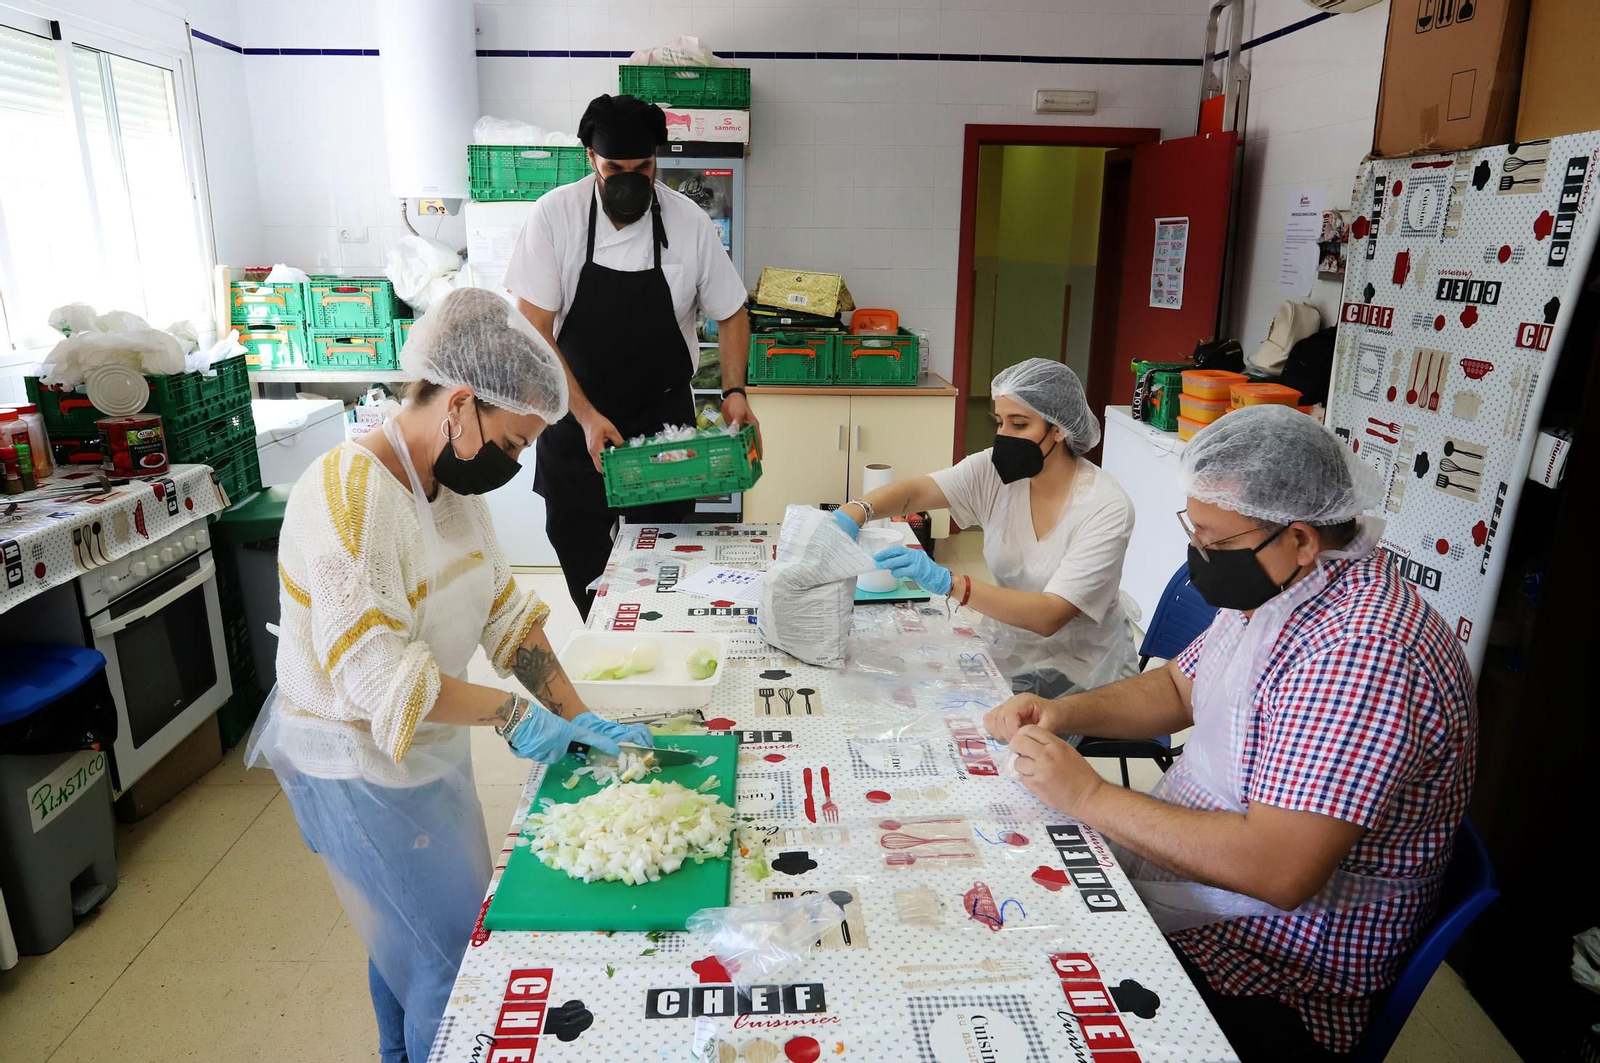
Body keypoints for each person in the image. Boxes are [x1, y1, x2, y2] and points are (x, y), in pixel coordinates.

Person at [983, 405, 1478, 1062]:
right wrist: (1063, 713)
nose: (1199, 560)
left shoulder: (1364, 653)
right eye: (1196, 533)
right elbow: (1178, 687)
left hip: (1279, 974)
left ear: (1300, 537)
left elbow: (1277, 869)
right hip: (1212, 897)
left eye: (1215, 542)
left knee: (1030, 1006)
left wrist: (1089, 796)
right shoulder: (1285, 587)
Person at [249, 289, 654, 1063]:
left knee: (406, 932)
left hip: (430, 748)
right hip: (353, 764)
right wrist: (514, 718)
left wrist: (578, 715)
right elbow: (379, 681)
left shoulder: (454, 492)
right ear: (460, 406)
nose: (517, 460)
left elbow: (505, 616)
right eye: (511, 442)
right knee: (446, 960)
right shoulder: (347, 497)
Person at [503, 93, 755, 617]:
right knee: (589, 581)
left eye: (642, 167)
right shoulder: (555, 216)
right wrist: (588, 416)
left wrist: (734, 392)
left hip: (662, 429)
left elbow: (731, 313)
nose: (629, 179)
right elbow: (534, 331)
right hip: (576, 425)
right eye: (614, 167)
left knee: (663, 577)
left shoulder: (689, 223)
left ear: (657, 159)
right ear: (589, 159)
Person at [831, 358, 1138, 698]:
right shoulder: (996, 473)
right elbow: (916, 492)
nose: (1003, 436)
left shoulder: (1105, 507)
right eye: (999, 422)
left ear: (1059, 429)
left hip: (1084, 675)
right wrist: (856, 511)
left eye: (1019, 424)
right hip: (1008, 652)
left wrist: (951, 583)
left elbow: (1050, 615)